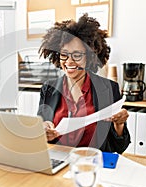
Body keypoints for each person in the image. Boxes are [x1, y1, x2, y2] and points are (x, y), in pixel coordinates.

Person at [37, 13, 130, 153]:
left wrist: (120, 124)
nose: (68, 62)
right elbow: (41, 130)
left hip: (92, 162)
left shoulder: (109, 89)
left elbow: (120, 147)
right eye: (64, 54)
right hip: (58, 160)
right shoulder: (48, 89)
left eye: (77, 55)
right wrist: (44, 129)